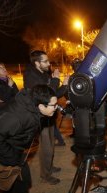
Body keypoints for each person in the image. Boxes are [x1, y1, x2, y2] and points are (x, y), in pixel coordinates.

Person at [0, 85, 59, 193]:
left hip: (11, 144)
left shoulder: (32, 108)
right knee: (22, 179)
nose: (56, 108)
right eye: (54, 105)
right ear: (41, 106)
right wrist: (13, 157)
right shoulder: (17, 117)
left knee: (11, 175)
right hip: (2, 147)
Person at [23, 50, 68, 185]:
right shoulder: (31, 76)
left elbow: (54, 94)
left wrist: (64, 85)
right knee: (46, 146)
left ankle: (48, 166)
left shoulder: (44, 73)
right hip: (39, 116)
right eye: (45, 61)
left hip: (49, 114)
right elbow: (46, 95)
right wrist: (55, 80)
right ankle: (45, 174)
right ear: (37, 63)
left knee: (50, 144)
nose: (49, 64)